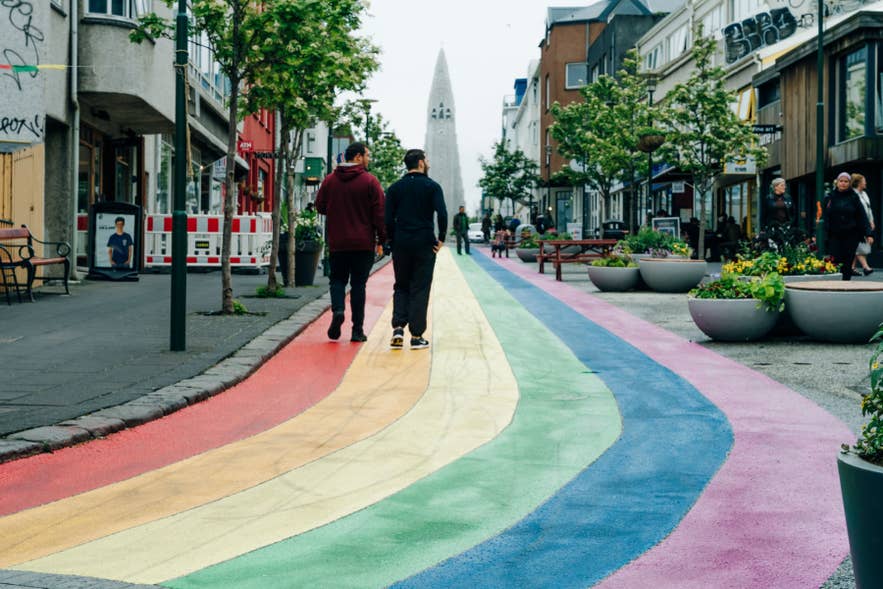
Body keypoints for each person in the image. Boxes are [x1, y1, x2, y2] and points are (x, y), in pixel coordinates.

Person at [315, 141, 386, 342]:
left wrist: (337, 211)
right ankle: (357, 331)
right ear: (357, 157)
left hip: (338, 242)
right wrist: (383, 239)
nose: (369, 159)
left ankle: (338, 310)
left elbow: (320, 206)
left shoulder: (330, 180)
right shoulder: (370, 182)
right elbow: (379, 214)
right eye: (367, 155)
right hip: (363, 244)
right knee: (358, 285)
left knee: (337, 280)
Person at [385, 149, 447, 350]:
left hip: (401, 243)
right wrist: (441, 238)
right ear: (421, 163)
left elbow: (387, 218)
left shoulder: (395, 188)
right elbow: (442, 214)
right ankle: (417, 335)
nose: (428, 162)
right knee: (420, 287)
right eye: (426, 159)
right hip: (424, 243)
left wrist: (392, 240)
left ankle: (398, 329)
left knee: (401, 285)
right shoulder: (432, 187)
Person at [823, 172, 873, 281]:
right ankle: (835, 282)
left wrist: (868, 233)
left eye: (846, 181)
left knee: (848, 259)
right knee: (835, 258)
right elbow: (824, 216)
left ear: (849, 183)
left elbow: (862, 216)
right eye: (841, 181)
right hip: (834, 234)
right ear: (837, 182)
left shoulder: (854, 197)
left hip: (851, 233)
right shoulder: (830, 197)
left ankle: (846, 282)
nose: (843, 183)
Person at [852, 173, 875, 276]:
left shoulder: (864, 194)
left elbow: (868, 209)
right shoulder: (853, 194)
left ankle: (851, 267)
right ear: (859, 183)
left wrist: (871, 220)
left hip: (865, 223)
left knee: (857, 246)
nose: (865, 183)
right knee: (860, 245)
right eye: (864, 181)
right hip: (856, 224)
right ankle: (866, 267)